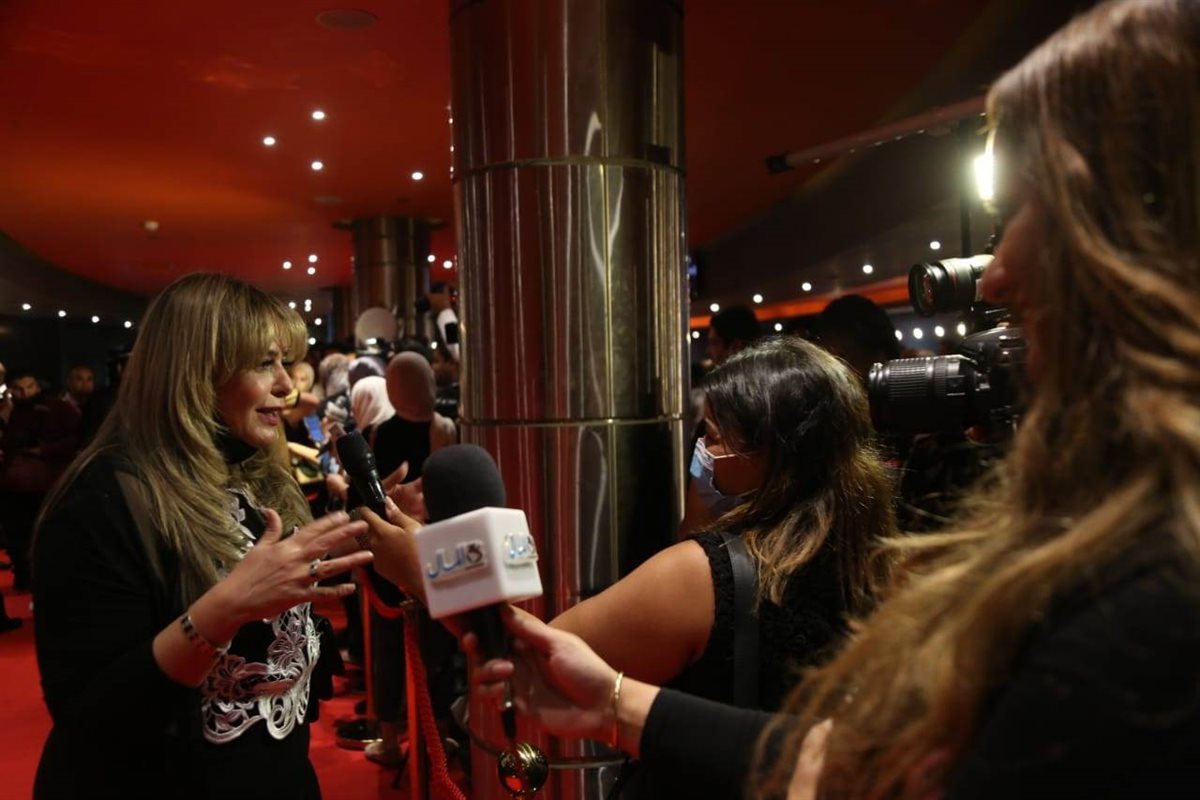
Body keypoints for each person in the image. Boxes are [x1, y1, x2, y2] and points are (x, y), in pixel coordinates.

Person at [472, 1, 1200, 797]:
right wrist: (615, 701)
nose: (996, 275)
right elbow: (866, 762)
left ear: (1152, 233)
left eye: (1035, 208)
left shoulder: (1156, 591)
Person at [364, 336, 897, 794]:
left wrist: (424, 566)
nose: (700, 451)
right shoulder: (883, 561)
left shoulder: (702, 575)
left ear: (768, 455)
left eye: (712, 437)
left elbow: (538, 659)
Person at [31, 273, 373, 799]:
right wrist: (224, 610)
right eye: (265, 363)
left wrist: (358, 535)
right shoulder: (100, 499)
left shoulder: (251, 470)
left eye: (285, 362)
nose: (287, 385)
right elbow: (92, 716)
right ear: (196, 373)